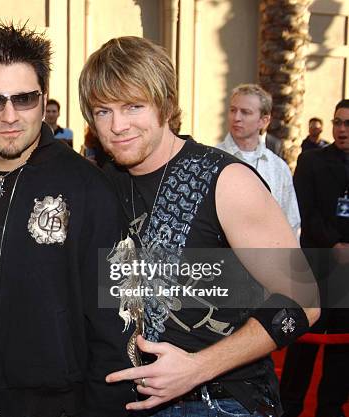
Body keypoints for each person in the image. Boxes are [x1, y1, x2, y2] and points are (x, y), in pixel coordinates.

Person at [78, 36, 320, 416]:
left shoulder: (225, 180)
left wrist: (196, 368)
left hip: (220, 401)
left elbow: (304, 302)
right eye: (103, 111)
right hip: (126, 399)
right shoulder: (99, 184)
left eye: (133, 106)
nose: (117, 125)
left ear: (166, 105)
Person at [0, 22, 134, 417]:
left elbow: (118, 329)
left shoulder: (88, 188)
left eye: (24, 99)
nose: (10, 116)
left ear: (44, 100)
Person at [281, 99, 349, 417]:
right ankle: (289, 407)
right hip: (316, 267)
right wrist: (334, 243)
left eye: (348, 123)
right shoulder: (310, 161)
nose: (341, 129)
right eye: (338, 122)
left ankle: (330, 408)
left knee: (342, 351)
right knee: (302, 343)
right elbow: (305, 211)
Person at [217, 84, 300, 235]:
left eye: (245, 112)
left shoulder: (278, 168)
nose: (236, 118)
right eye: (233, 110)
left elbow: (291, 223)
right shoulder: (211, 160)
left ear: (264, 121)